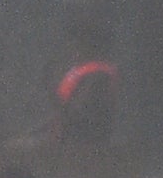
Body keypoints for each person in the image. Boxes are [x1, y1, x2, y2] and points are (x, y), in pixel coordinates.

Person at [47, 11, 121, 148]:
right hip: (67, 142)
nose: (71, 45)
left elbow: (81, 115)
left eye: (77, 40)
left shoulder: (98, 76)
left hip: (84, 146)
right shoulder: (78, 71)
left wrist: (54, 97)